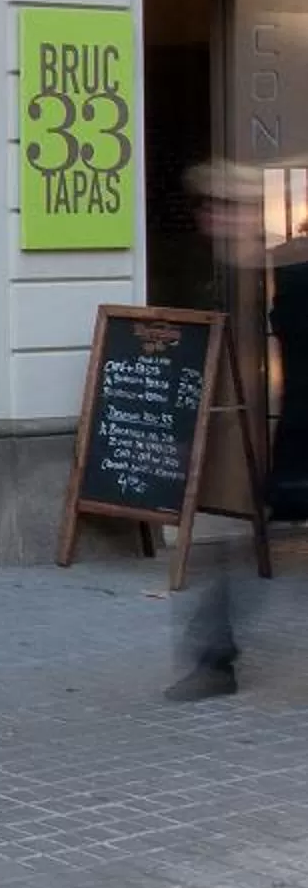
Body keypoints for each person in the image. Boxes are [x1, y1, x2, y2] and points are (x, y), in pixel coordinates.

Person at [165, 160, 290, 698]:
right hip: (260, 438)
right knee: (236, 552)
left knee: (246, 553)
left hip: (289, 435)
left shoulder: (289, 272)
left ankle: (215, 659)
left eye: (223, 207)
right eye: (207, 207)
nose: (210, 217)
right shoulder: (221, 273)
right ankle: (215, 658)